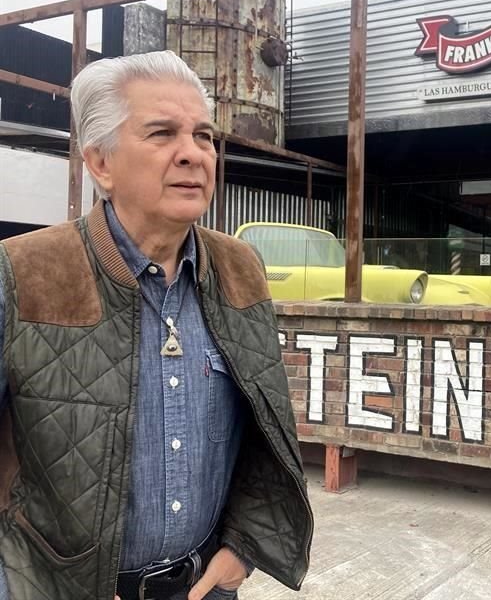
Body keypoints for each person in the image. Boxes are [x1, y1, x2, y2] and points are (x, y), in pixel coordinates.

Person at [0, 51, 312, 600]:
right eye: (163, 134)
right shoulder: (24, 271)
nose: (193, 155)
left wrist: (244, 548)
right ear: (101, 163)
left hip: (206, 589)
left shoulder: (241, 268)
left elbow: (267, 431)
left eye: (204, 136)